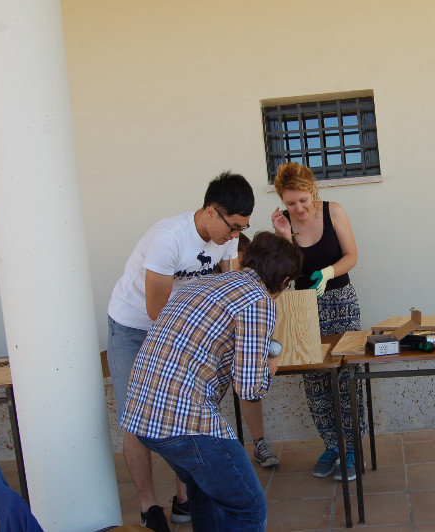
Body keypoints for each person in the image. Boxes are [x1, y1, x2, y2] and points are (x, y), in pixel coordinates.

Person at [106, 171, 278, 532]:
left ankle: (186, 496)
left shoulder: (227, 239)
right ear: (211, 212)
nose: (235, 237)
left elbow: (231, 289)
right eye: (233, 227)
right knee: (138, 414)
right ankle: (148, 504)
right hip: (136, 325)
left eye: (242, 229)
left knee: (186, 411)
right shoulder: (169, 238)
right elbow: (158, 312)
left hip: (179, 327)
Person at [121, 232, 304, 532]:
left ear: (247, 259)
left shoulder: (203, 283)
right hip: (184, 420)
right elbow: (248, 388)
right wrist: (268, 369)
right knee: (249, 508)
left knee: (205, 493)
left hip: (141, 416)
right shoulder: (258, 300)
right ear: (284, 282)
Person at [270, 162, 365, 481]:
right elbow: (284, 272)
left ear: (313, 191)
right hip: (303, 309)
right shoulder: (285, 224)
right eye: (290, 203)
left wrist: (328, 272)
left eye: (302, 201)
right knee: (314, 382)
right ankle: (332, 446)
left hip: (341, 302)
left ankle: (352, 449)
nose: (297, 208)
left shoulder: (333, 211)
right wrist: (284, 237)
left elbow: (351, 256)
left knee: (345, 375)